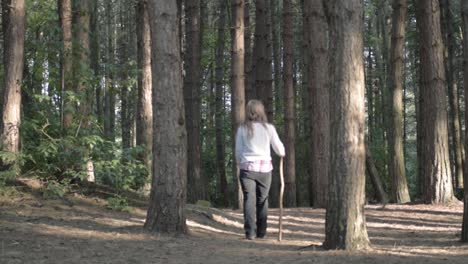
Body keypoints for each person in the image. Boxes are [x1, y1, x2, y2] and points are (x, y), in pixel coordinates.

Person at [235, 100, 285, 240]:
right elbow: (280, 149)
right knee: (262, 200)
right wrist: (282, 153)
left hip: (247, 169)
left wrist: (240, 164)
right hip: (264, 170)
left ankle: (250, 232)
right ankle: (261, 232)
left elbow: (238, 151)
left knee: (249, 200)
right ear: (261, 112)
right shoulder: (269, 128)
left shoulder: (242, 129)